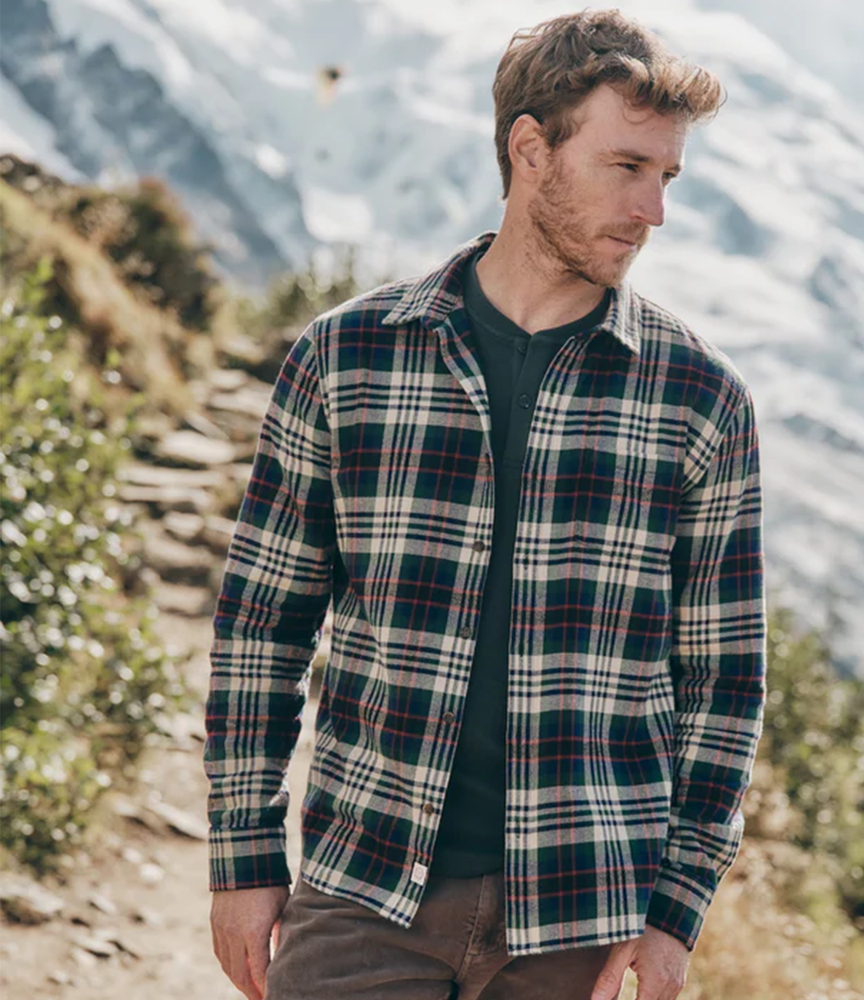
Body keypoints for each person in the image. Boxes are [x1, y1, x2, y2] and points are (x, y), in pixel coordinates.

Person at [206, 9, 766, 1000]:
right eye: (627, 167)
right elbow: (263, 624)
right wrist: (243, 857)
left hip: (580, 924)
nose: (653, 210)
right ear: (529, 149)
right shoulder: (348, 357)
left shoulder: (700, 399)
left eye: (667, 177)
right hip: (364, 887)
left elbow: (724, 685)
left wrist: (675, 913)